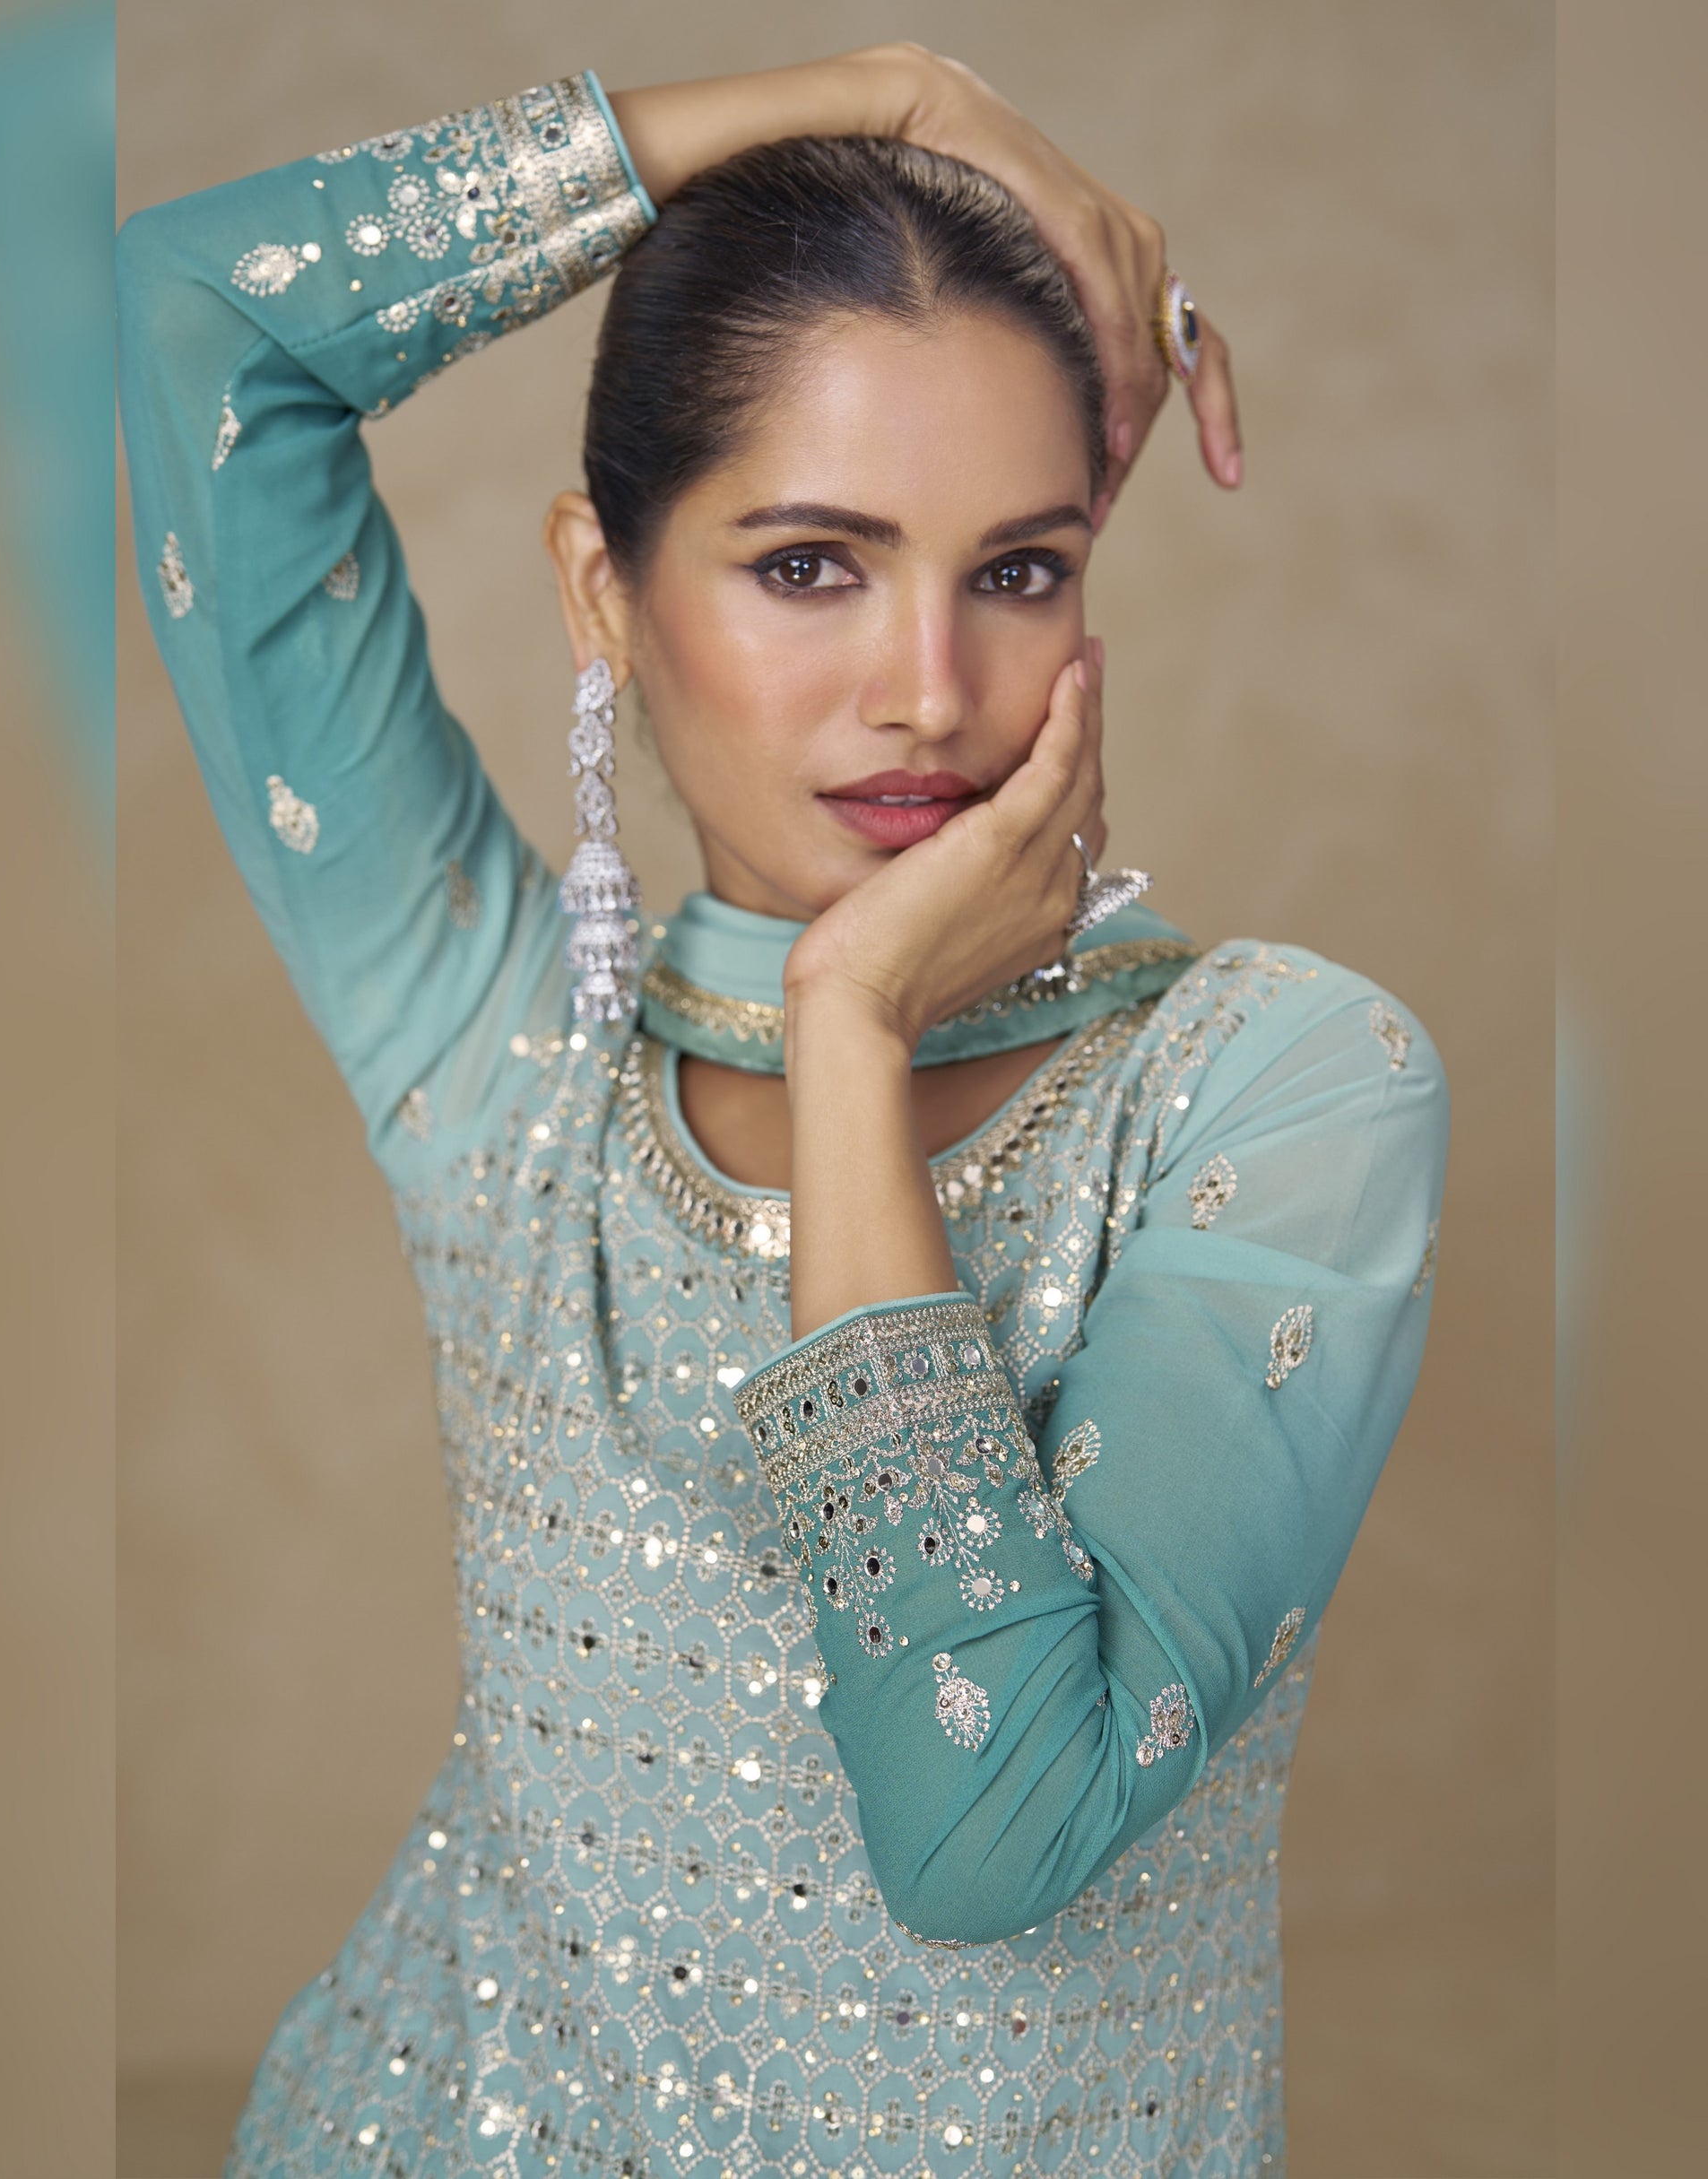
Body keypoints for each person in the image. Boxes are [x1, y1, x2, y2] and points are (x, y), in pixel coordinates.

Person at [117, 43, 1449, 2179]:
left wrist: (850, 1032)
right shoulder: (511, 1054)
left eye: (1014, 568)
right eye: (811, 565)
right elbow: (190, 321)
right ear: (599, 588)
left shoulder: (1274, 1088)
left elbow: (992, 1824)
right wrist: (886, 91)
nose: (927, 684)